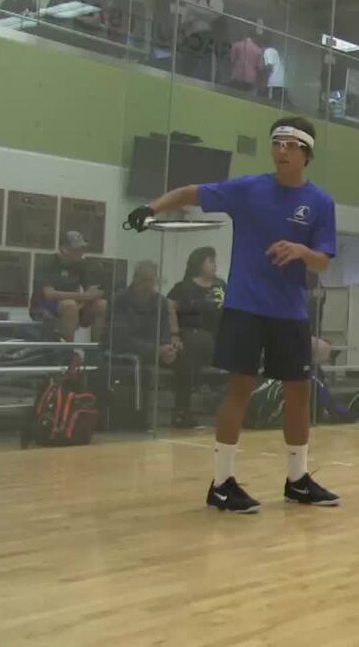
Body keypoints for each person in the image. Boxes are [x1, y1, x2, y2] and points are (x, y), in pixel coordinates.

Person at [126, 116, 338, 514]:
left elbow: (323, 260)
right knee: (238, 389)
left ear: (307, 153)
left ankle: (298, 480)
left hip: (290, 313)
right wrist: (151, 206)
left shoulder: (321, 203)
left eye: (291, 145)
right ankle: (222, 484)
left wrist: (301, 252)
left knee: (299, 393)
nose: (282, 150)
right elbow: (193, 192)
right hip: (245, 307)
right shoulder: (249, 189)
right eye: (277, 143)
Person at [167, 246, 226, 429]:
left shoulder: (221, 285)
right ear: (199, 264)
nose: (215, 265)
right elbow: (170, 310)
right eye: (210, 261)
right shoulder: (183, 287)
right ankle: (182, 411)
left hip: (219, 336)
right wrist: (174, 335)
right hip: (191, 334)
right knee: (189, 353)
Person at [32, 231, 107, 342]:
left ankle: (95, 352)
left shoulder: (83, 264)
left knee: (102, 305)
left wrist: (81, 300)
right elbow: (49, 294)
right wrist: (81, 297)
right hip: (44, 306)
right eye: (76, 249)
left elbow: (96, 293)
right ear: (64, 249)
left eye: (82, 248)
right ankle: (67, 353)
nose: (81, 252)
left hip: (76, 305)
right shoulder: (47, 262)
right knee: (69, 305)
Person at [103, 260, 178, 370]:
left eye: (151, 281)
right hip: (124, 350)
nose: (148, 285)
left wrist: (168, 349)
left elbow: (164, 335)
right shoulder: (119, 299)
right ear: (135, 279)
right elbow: (121, 339)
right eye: (144, 280)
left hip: (154, 351)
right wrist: (156, 350)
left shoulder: (160, 302)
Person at [183, 0, 225, 82]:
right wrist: (204, 14)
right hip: (192, 37)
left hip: (209, 36)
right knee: (189, 63)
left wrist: (196, 12)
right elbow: (184, 20)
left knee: (208, 63)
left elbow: (216, 14)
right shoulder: (190, 0)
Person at [262, 37, 290, 106]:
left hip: (274, 82)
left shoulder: (268, 51)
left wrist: (263, 79)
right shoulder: (273, 51)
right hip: (278, 82)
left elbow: (269, 66)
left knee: (274, 103)